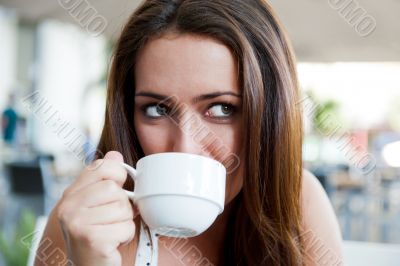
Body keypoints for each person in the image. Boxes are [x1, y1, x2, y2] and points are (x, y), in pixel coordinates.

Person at [35, 0, 343, 265]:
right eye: (157, 109)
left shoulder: (297, 202)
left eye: (222, 109)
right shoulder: (81, 227)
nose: (184, 148)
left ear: (268, 115)